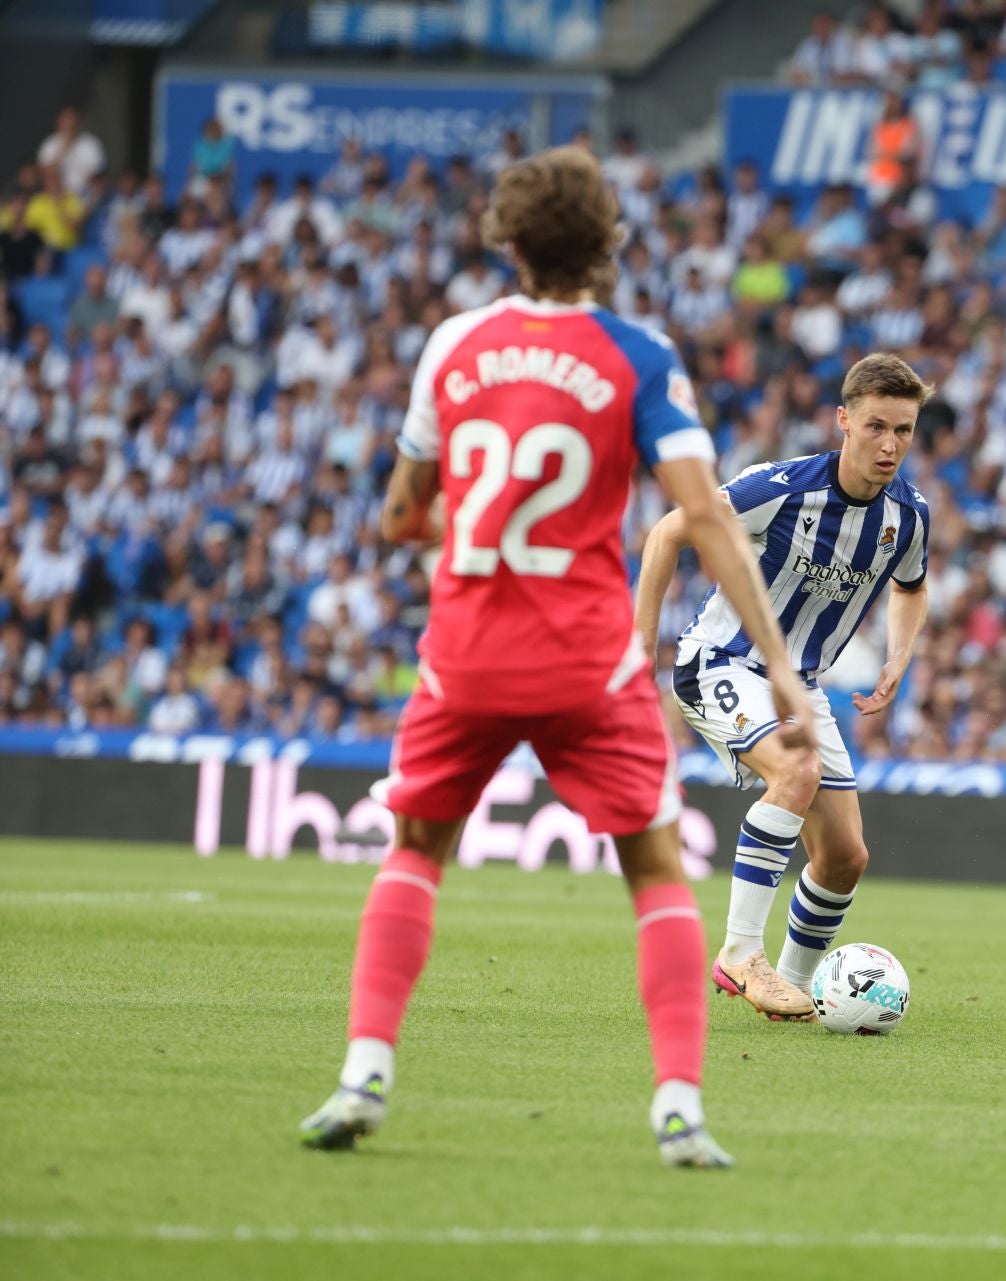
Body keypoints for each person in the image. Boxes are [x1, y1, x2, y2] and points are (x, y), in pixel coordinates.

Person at [297, 146, 817, 1168]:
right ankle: (678, 1108)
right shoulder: (638, 353)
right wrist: (783, 666)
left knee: (414, 853)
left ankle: (363, 1074)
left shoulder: (452, 344)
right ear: (609, 243)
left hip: (465, 653)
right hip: (586, 660)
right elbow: (704, 514)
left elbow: (401, 515)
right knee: (654, 869)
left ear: (511, 242)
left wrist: (474, 516)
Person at [633, 354, 934, 1021]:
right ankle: (740, 953)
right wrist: (638, 646)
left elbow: (912, 586)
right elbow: (666, 533)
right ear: (843, 421)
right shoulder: (780, 488)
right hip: (720, 661)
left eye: (904, 430)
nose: (890, 444)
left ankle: (798, 989)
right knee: (794, 771)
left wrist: (898, 658)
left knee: (845, 855)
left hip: (800, 686)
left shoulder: (907, 517)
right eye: (876, 426)